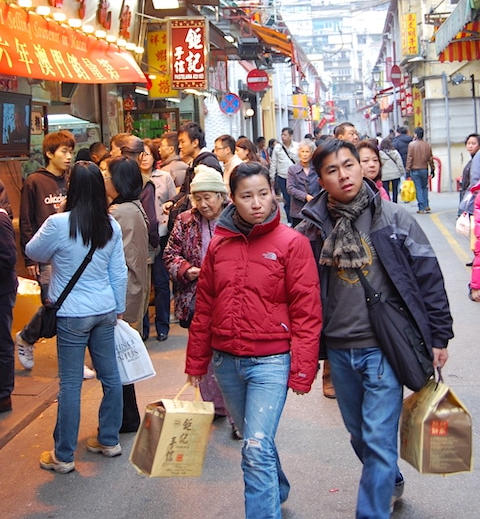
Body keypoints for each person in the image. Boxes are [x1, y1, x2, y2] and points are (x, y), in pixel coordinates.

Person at [299, 139, 453, 519]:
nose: (344, 175)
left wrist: (439, 335)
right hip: (338, 350)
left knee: (380, 438)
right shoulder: (312, 229)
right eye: (332, 170)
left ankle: (371, 510)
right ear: (321, 179)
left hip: (384, 346)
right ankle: (388, 478)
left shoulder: (393, 218)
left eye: (349, 165)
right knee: (360, 435)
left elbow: (428, 278)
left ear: (363, 167)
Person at [186, 162, 322, 519]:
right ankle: (275, 488)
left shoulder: (293, 244)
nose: (257, 203)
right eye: (247, 196)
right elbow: (205, 306)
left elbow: (307, 311)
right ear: (233, 200)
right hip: (226, 362)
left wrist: (303, 370)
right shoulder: (219, 245)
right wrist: (197, 362)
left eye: (263, 194)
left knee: (256, 447)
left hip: (271, 361)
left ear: (273, 195)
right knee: (254, 441)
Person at [25, 161, 128, 473]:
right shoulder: (111, 225)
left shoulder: (59, 224)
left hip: (71, 313)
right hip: (105, 309)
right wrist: (119, 308)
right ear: (100, 188)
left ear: (71, 188)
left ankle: (64, 455)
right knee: (111, 377)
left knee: (71, 384)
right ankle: (109, 440)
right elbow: (119, 272)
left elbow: (33, 252)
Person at [163, 165, 239, 435]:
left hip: (232, 299)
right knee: (204, 356)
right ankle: (214, 406)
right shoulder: (185, 220)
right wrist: (186, 270)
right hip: (197, 298)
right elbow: (170, 255)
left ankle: (236, 416)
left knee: (229, 357)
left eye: (209, 197)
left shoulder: (237, 218)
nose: (204, 204)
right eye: (198, 198)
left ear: (221, 196)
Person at [16, 131, 85, 372]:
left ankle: (71, 362)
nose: (69, 157)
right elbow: (26, 220)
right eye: (64, 152)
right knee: (53, 306)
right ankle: (27, 337)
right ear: (49, 153)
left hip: (72, 251)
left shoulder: (72, 180)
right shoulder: (35, 181)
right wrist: (30, 257)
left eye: (71, 152)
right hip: (46, 255)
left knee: (70, 306)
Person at [104, 156, 149, 433]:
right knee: (120, 358)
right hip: (133, 290)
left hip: (123, 293)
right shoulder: (134, 206)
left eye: (107, 176)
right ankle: (127, 417)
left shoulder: (119, 213)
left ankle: (126, 418)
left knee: (117, 359)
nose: (104, 181)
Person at [140, 139, 176, 342]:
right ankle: (143, 328)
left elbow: (174, 199)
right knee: (144, 285)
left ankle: (163, 326)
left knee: (161, 283)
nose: (145, 157)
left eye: (148, 153)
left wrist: (170, 203)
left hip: (161, 235)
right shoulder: (133, 179)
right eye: (141, 154)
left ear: (155, 156)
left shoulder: (164, 177)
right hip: (141, 238)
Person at [164, 122, 222, 230]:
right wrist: (172, 201)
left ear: (195, 142)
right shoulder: (193, 163)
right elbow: (184, 190)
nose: (180, 146)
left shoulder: (208, 163)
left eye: (182, 141)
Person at [0, 206, 17, 413]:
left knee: (2, 343)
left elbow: (7, 258)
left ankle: (3, 396)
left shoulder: (1, 219)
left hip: (2, 292)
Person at [286, 139, 320, 227]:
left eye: (307, 151)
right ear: (299, 153)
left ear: (312, 153)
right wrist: (305, 196)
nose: (304, 154)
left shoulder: (317, 169)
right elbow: (290, 188)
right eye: (302, 151)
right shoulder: (292, 169)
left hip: (315, 209)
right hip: (298, 210)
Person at [269, 127, 299, 224]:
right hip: (283, 177)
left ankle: (297, 219)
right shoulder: (277, 148)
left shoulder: (297, 147)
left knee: (295, 198)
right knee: (287, 199)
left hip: (295, 177)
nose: (283, 137)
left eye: (285, 135)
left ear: (290, 136)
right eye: (282, 135)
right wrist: (272, 176)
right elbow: (274, 163)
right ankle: (289, 220)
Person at [405, 126, 435, 214]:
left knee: (418, 188)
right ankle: (426, 205)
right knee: (424, 187)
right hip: (424, 169)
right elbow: (430, 158)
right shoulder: (427, 145)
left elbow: (409, 158)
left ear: (416, 134)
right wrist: (432, 169)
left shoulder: (411, 145)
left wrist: (407, 170)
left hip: (414, 169)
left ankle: (421, 207)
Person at [379, 137, 404, 202]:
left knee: (386, 190)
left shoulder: (379, 154)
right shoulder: (395, 152)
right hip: (395, 173)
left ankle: (388, 202)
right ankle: (395, 202)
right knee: (395, 189)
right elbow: (399, 163)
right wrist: (402, 172)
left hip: (384, 175)